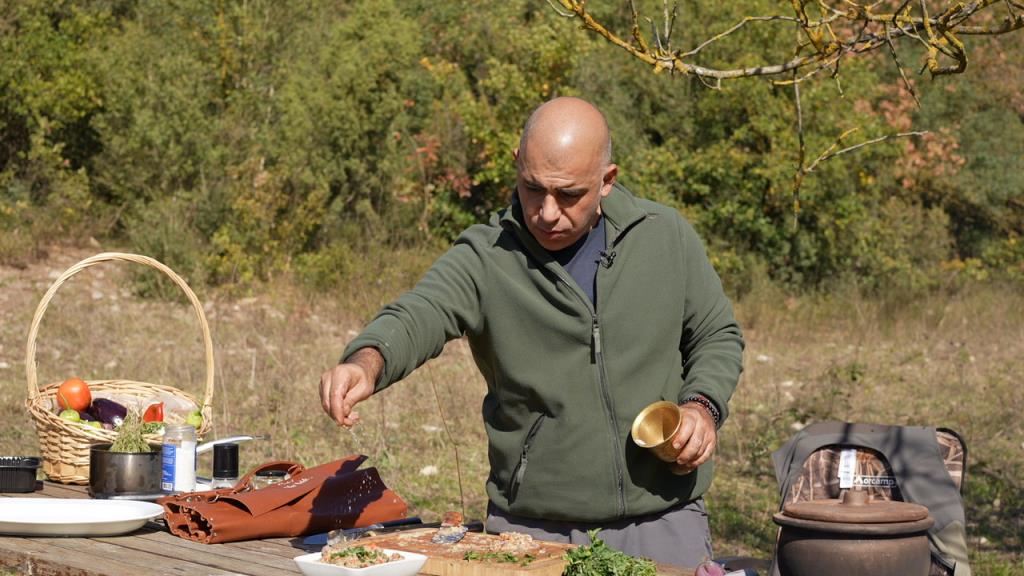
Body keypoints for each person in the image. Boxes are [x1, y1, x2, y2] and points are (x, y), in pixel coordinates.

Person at [320, 97, 744, 567]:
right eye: (532, 188)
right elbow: (418, 313)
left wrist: (702, 406)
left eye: (568, 195)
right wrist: (367, 361)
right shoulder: (486, 257)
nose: (546, 212)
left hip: (666, 520)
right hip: (533, 532)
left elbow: (716, 334)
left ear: (607, 181)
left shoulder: (666, 237)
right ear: (517, 166)